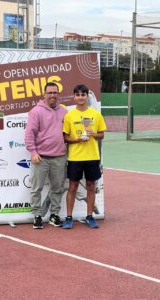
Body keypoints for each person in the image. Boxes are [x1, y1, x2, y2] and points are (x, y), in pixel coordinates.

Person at [62, 84, 107, 229]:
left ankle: (89, 216)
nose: (80, 97)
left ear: (87, 96)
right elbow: (66, 138)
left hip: (92, 156)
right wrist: (77, 140)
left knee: (90, 186)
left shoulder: (95, 114)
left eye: (83, 95)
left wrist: (94, 134)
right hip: (75, 157)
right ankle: (68, 217)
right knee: (73, 186)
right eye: (78, 95)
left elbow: (102, 134)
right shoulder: (69, 116)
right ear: (74, 97)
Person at [25, 82, 67, 229]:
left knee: (57, 188)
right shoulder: (36, 111)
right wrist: (33, 152)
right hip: (40, 157)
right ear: (44, 94)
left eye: (55, 92)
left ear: (58, 94)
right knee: (36, 188)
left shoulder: (64, 112)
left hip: (60, 157)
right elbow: (29, 134)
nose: (52, 95)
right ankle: (37, 215)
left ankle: (54, 215)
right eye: (49, 92)